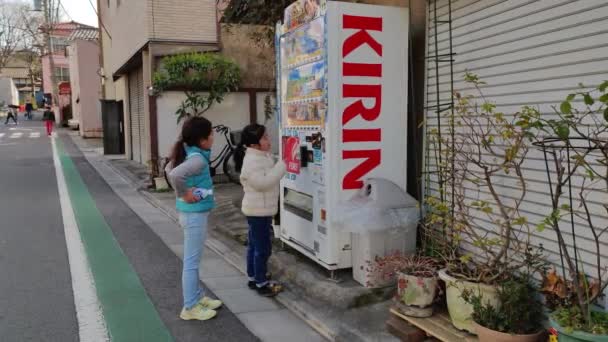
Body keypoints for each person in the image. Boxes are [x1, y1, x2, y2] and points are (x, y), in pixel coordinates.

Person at [166, 117, 223, 321]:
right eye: (210, 134)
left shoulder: (188, 151)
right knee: (191, 262)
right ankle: (190, 306)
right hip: (194, 215)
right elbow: (174, 175)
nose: (213, 137)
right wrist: (184, 194)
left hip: (192, 214)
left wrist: (182, 193)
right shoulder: (197, 159)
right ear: (202, 140)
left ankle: (197, 298)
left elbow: (168, 169)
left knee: (194, 261)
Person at [239, 124, 286, 297]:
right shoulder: (252, 161)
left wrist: (282, 158)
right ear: (253, 144)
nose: (269, 140)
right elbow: (263, 183)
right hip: (257, 211)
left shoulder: (262, 156)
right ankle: (261, 282)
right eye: (265, 137)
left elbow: (271, 163)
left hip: (259, 210)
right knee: (263, 248)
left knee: (254, 245)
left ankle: (253, 276)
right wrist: (283, 165)